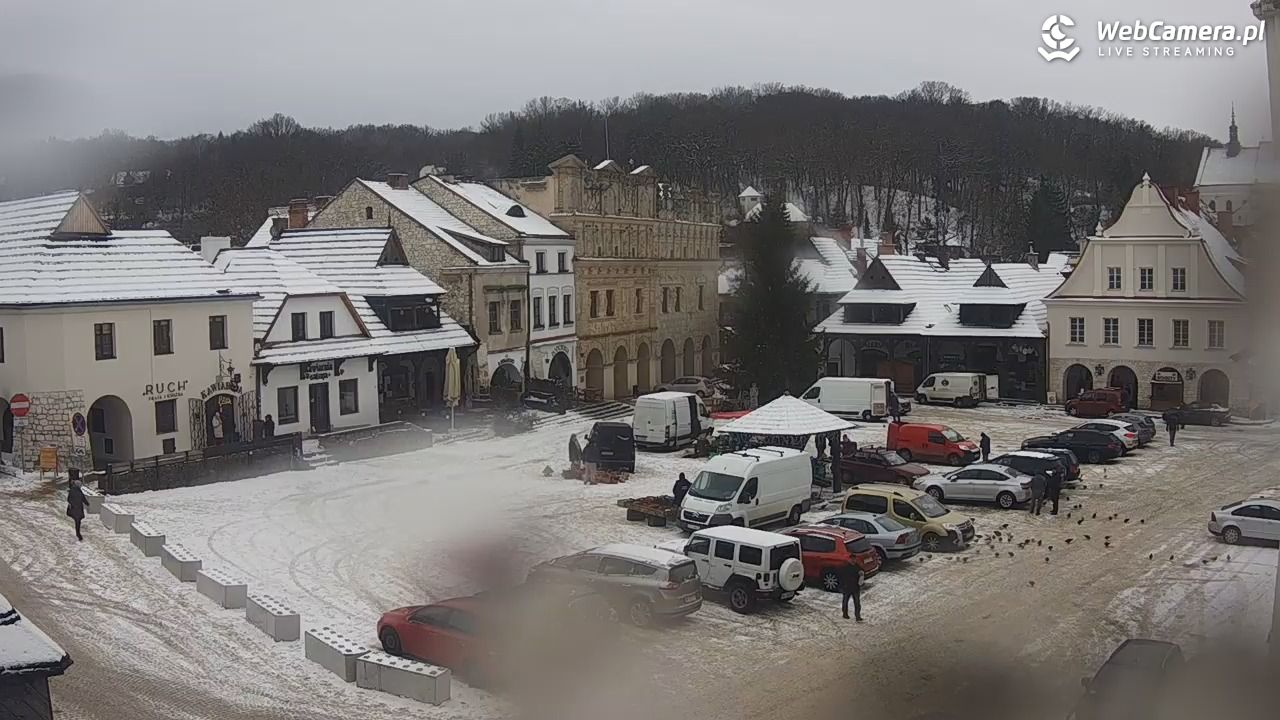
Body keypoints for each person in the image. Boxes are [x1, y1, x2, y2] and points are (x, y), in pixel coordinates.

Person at [67, 474, 86, 541]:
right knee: (78, 521)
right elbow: (83, 498)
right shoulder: (78, 491)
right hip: (78, 508)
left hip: (74, 508)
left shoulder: (72, 490)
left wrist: (71, 504)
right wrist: (87, 503)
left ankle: (78, 533)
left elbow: (68, 499)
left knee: (77, 520)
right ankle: (78, 534)